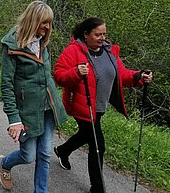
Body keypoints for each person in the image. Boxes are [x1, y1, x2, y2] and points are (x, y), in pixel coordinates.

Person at [52, 17, 153, 193]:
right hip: (82, 106)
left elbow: (121, 75)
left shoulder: (109, 52)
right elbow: (59, 75)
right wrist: (76, 72)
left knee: (86, 135)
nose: (102, 38)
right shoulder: (73, 51)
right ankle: (97, 188)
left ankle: (63, 150)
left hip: (99, 107)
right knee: (98, 145)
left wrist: (139, 76)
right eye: (98, 34)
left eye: (104, 34)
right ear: (86, 34)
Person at [0, 1, 68, 193]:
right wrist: (14, 119)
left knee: (44, 154)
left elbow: (46, 74)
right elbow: (7, 84)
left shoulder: (43, 41)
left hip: (47, 108)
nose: (47, 27)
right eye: (44, 22)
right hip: (27, 111)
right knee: (28, 155)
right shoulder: (12, 45)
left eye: (49, 23)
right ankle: (5, 163)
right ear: (32, 20)